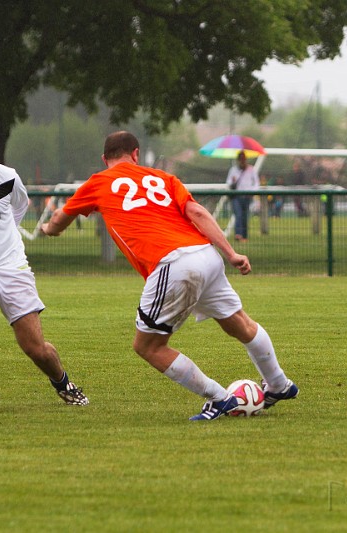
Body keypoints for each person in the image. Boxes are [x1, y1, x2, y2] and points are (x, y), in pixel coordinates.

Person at [41, 131, 298, 421]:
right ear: (136, 154)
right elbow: (197, 212)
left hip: (173, 263)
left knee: (148, 346)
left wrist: (49, 229)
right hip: (205, 254)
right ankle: (279, 384)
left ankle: (221, 398)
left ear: (105, 159)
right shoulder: (163, 178)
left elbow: (60, 218)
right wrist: (230, 253)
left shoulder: (98, 182)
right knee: (238, 323)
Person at [0, 122, 88, 413]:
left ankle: (62, 382)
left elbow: (19, 207)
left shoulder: (7, 177)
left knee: (35, 348)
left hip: (11, 265)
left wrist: (5, 240)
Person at [225, 150, 259, 241]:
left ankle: (244, 235)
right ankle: (238, 234)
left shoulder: (251, 169)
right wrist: (233, 181)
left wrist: (252, 192)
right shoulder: (233, 170)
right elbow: (228, 182)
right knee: (238, 214)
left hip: (247, 196)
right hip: (236, 195)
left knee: (245, 216)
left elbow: (256, 183)